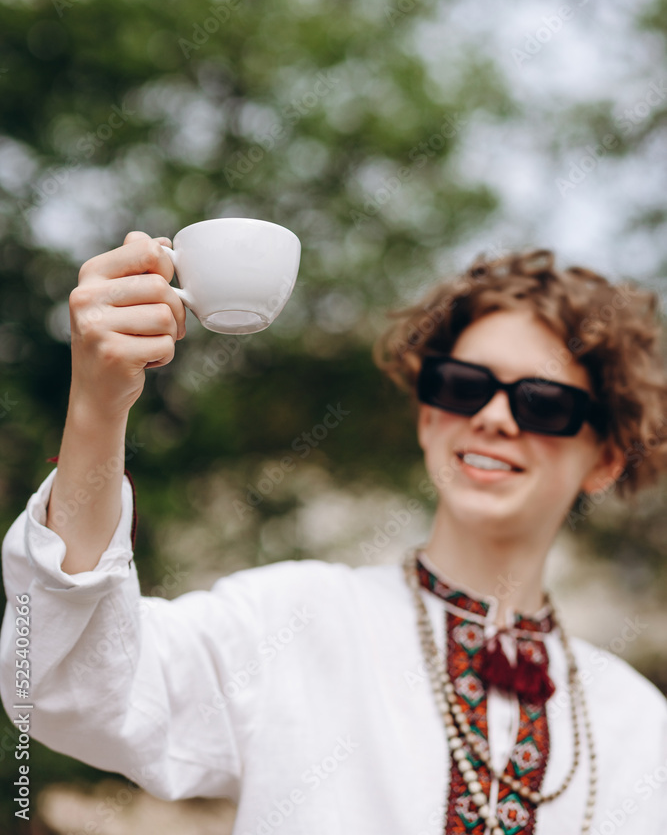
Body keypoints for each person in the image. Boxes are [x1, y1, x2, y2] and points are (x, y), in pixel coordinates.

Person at [1, 235, 666, 835]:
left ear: (607, 457)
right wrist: (96, 406)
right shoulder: (294, 622)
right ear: (428, 416)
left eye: (542, 402)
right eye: (461, 386)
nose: (492, 417)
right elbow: (66, 686)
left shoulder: (642, 729)